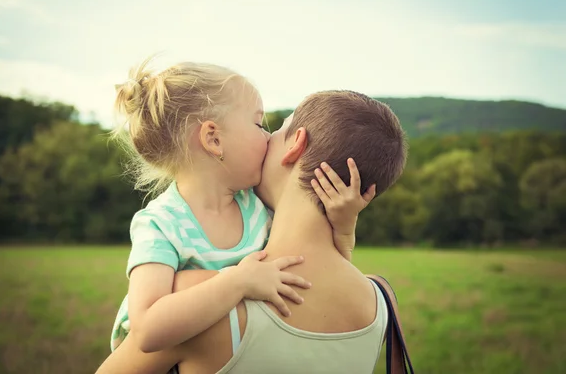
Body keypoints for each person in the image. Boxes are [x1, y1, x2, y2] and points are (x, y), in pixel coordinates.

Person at [97, 89, 408, 373]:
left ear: (295, 145)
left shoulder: (198, 297)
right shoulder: (378, 303)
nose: (265, 140)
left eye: (275, 130)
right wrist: (343, 229)